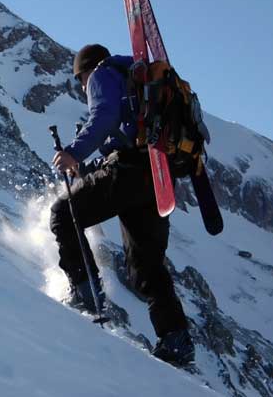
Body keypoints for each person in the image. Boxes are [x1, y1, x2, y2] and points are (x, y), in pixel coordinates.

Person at [50, 43, 195, 366]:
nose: (83, 87)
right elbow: (124, 130)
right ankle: (175, 340)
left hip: (130, 169)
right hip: (155, 176)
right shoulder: (138, 81)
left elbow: (105, 115)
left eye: (79, 81)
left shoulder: (101, 74)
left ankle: (87, 297)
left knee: (63, 214)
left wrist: (74, 152)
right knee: (145, 265)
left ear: (84, 71)